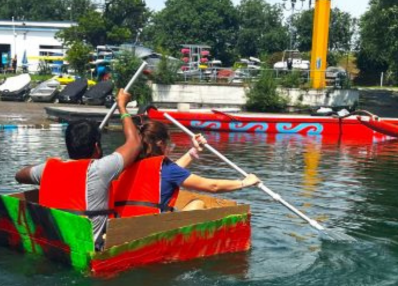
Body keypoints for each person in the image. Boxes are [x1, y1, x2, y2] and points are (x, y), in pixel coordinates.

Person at [14, 89, 140, 248]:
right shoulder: (100, 169)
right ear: (96, 147)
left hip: (53, 248)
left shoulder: (47, 169)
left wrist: (51, 167)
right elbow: (134, 143)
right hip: (88, 253)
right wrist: (122, 105)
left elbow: (19, 175)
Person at [108, 120, 259, 217]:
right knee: (198, 204)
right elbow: (212, 186)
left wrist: (193, 152)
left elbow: (169, 174)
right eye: (169, 144)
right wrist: (244, 183)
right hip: (149, 230)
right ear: (161, 143)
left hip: (121, 225)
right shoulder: (167, 169)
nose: (170, 148)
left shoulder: (129, 163)